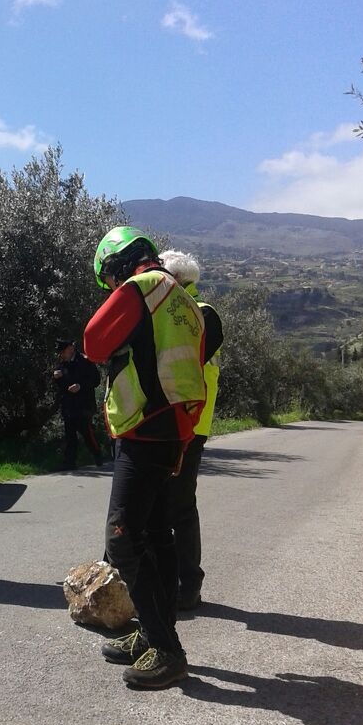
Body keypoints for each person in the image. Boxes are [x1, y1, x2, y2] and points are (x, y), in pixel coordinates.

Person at [83, 226, 206, 689]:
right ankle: (153, 634)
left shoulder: (142, 287)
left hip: (145, 428)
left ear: (115, 265)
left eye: (107, 279)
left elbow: (94, 342)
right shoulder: (182, 297)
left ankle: (166, 650)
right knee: (156, 534)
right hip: (174, 429)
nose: (110, 288)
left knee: (123, 538)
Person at [159, 250, 224, 612]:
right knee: (156, 504)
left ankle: (188, 584)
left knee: (180, 505)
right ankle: (162, 581)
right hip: (163, 423)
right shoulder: (177, 312)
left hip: (191, 425)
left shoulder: (203, 314)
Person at [52, 338, 103, 469]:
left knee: (86, 432)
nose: (61, 355)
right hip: (68, 404)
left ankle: (97, 455)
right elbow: (60, 383)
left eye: (63, 352)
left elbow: (96, 380)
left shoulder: (85, 361)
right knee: (69, 434)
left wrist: (80, 386)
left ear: (70, 349)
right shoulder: (62, 362)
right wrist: (56, 377)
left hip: (84, 404)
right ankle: (69, 462)